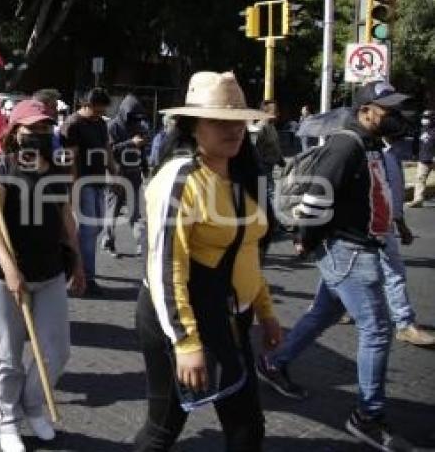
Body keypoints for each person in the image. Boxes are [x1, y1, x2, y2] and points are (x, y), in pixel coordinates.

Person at [257, 81, 413, 451]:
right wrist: (305, 238)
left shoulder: (371, 144)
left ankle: (275, 363)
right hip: (349, 250)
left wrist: (396, 221)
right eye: (387, 109)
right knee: (376, 330)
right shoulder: (347, 144)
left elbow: (374, 192)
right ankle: (368, 416)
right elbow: (316, 194)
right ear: (366, 110)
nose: (395, 116)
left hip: (359, 246)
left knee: (324, 312)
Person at [134, 71, 279, 451]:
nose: (232, 131)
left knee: (248, 428)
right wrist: (186, 343)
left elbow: (247, 251)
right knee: (163, 428)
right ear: (193, 126)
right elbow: (166, 268)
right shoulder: (178, 180)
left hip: (231, 317)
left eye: (237, 122)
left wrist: (265, 311)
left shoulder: (243, 175)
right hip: (184, 319)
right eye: (218, 121)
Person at [0, 100, 85, 452]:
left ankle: (32, 402)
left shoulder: (57, 169)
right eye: (31, 129)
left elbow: (67, 217)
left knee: (57, 350)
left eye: (44, 128)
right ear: (14, 131)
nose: (38, 135)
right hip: (4, 275)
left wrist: (79, 263)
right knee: (7, 353)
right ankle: (7, 417)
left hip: (50, 271)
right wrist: (10, 269)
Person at [380, 133, 435, 346]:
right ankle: (404, 323)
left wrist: (400, 224)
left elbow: (395, 192)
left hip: (383, 225)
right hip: (365, 227)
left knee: (346, 275)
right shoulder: (365, 151)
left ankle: (340, 305)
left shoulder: (391, 154)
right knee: (393, 272)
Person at [61, 87, 115, 295]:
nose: (101, 112)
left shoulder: (100, 123)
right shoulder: (73, 125)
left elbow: (106, 148)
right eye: (98, 108)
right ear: (86, 105)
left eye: (102, 109)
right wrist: (73, 187)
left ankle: (78, 274)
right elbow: (71, 158)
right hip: (82, 183)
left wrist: (113, 171)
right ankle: (85, 279)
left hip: (98, 181)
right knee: (88, 230)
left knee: (96, 227)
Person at [103, 94, 149, 257]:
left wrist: (145, 170)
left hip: (134, 176)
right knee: (112, 213)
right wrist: (131, 142)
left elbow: (142, 151)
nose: (136, 121)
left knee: (135, 214)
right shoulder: (112, 127)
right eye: (133, 117)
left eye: (138, 117)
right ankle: (109, 242)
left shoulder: (139, 127)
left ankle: (141, 245)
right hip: (116, 175)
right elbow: (109, 150)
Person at [407, 110, 433, 207]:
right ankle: (418, 200)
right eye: (424, 117)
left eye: (427, 117)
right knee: (420, 179)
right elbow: (416, 143)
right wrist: (414, 154)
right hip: (423, 158)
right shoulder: (420, 130)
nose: (425, 120)